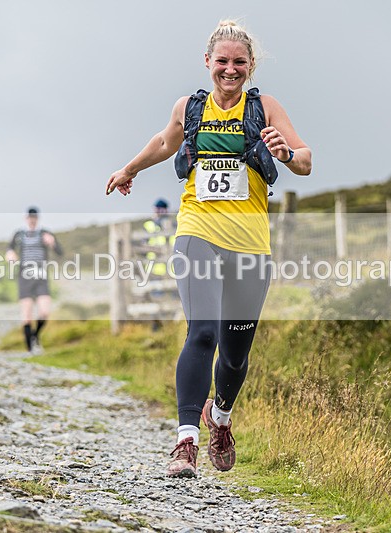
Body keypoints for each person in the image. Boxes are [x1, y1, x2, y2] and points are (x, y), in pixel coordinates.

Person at [106, 20, 311, 478]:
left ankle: (219, 416)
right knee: (202, 332)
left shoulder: (265, 108)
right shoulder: (190, 107)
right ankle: (185, 442)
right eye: (223, 61)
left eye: (239, 62)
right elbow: (164, 142)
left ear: (251, 66)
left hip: (250, 246)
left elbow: (305, 161)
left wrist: (284, 154)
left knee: (236, 353)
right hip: (196, 231)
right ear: (208, 62)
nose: (230, 69)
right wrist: (129, 169)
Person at [5, 207, 63, 355]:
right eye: (30, 218)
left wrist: (52, 243)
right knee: (27, 313)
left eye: (34, 218)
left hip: (41, 275)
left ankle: (35, 336)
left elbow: (60, 252)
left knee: (44, 311)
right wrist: (10, 254)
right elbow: (9, 249)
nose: (32, 220)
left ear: (37, 219)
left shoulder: (45, 233)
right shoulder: (19, 234)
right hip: (25, 275)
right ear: (26, 218)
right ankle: (30, 349)